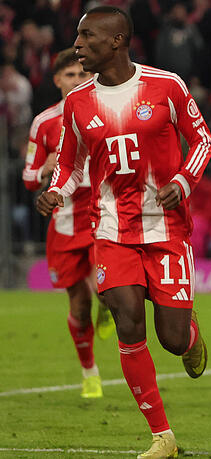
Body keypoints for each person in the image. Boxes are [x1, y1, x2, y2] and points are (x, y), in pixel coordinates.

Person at [36, 6, 211, 458]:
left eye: (86, 36)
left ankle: (190, 338)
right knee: (127, 321)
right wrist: (56, 192)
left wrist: (182, 181)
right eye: (77, 37)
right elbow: (71, 165)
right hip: (112, 229)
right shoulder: (77, 101)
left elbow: (203, 140)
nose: (77, 45)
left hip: (167, 229)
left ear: (116, 41)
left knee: (171, 339)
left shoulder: (166, 85)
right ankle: (162, 436)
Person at [22, 47, 115, 399]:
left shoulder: (104, 111)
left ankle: (106, 306)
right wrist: (47, 169)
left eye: (83, 73)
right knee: (77, 306)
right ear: (58, 80)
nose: (79, 79)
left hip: (100, 214)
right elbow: (29, 177)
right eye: (71, 75)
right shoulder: (44, 123)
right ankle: (89, 371)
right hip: (63, 223)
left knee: (103, 287)